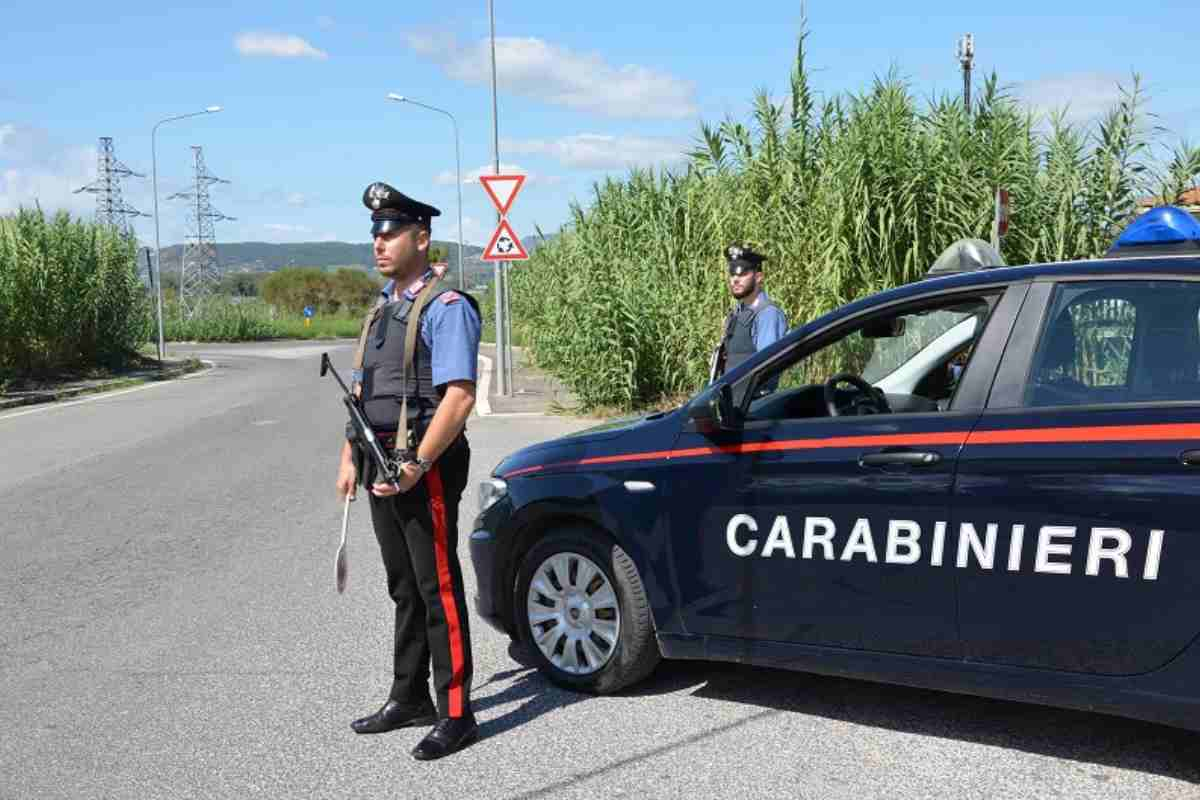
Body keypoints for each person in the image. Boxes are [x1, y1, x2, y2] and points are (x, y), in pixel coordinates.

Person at [335, 181, 481, 761]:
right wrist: (350, 456)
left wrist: (419, 463)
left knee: (437, 587)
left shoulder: (446, 309)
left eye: (391, 233)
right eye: (376, 234)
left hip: (424, 464)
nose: (380, 243)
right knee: (402, 586)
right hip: (380, 461)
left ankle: (455, 711)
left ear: (422, 238)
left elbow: (459, 397)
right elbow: (365, 391)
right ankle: (409, 695)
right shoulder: (382, 308)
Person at [711, 244, 788, 381]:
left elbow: (767, 368)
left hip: (755, 400)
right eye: (732, 273)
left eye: (742, 273)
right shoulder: (736, 314)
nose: (735, 279)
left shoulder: (767, 315)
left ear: (759, 277)